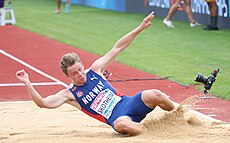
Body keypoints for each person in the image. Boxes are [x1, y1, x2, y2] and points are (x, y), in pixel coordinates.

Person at [16, 12, 175, 136]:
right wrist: (28, 83)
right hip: (119, 118)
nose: (80, 74)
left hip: (127, 103)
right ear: (68, 76)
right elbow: (43, 103)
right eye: (75, 73)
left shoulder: (95, 70)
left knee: (154, 94)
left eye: (80, 69)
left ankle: (178, 115)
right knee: (121, 125)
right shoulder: (69, 95)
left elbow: (118, 47)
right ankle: (153, 134)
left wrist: (139, 28)